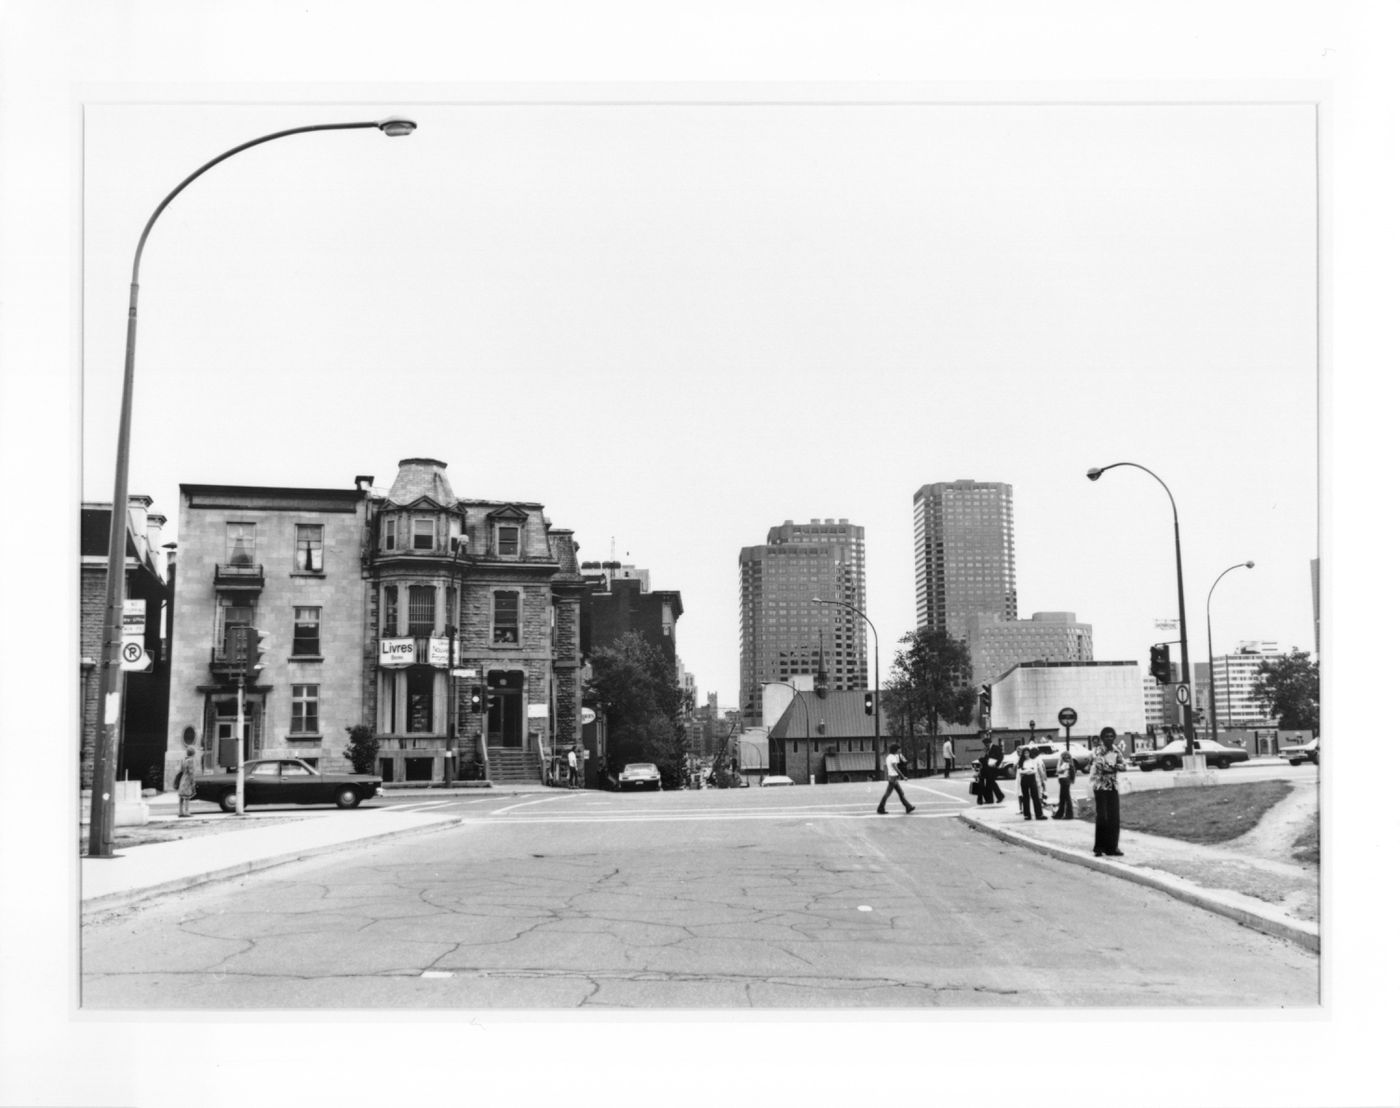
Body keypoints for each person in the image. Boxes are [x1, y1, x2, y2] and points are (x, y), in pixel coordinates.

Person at [1091, 727, 1128, 856]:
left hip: (1112, 786)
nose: (1109, 738)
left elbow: (1124, 766)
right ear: (1102, 738)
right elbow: (1101, 767)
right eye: (1106, 736)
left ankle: (1112, 847)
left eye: (1111, 736)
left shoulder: (1116, 750)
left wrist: (1114, 766)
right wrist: (1113, 766)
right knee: (1103, 817)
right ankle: (1099, 847)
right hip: (1101, 787)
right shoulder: (1098, 750)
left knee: (1114, 817)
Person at [876, 744, 915, 814]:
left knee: (900, 793)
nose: (900, 750)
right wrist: (903, 776)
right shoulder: (893, 758)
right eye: (899, 749)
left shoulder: (889, 757)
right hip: (893, 777)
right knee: (888, 794)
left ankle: (908, 807)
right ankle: (880, 808)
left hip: (892, 777)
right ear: (896, 750)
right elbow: (895, 767)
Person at [1017, 745, 1047, 820]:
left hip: (1032, 779)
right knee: (1025, 797)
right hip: (1024, 779)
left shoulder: (1033, 761)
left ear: (1029, 753)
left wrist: (1026, 770)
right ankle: (1027, 815)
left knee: (1035, 796)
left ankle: (1039, 814)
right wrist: (1028, 770)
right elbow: (1020, 771)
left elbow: (1034, 771)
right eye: (1025, 753)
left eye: (1027, 753)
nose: (1026, 755)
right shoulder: (1021, 762)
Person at [979, 737, 1005, 805]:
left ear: (988, 743)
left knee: (992, 783)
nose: (985, 745)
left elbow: (1001, 756)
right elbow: (987, 758)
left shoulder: (995, 747)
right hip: (988, 769)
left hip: (993, 768)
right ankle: (990, 799)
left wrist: (997, 764)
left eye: (985, 744)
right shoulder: (988, 749)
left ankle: (1000, 796)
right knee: (989, 784)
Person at [1052, 747, 1076, 819]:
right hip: (1064, 781)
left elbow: (1059, 770)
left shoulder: (1066, 764)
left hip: (1065, 781)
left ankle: (1069, 814)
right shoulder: (1067, 764)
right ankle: (1060, 813)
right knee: (1062, 797)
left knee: (1066, 798)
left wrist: (1059, 761)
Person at [176, 742, 197, 818]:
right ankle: (187, 812)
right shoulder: (191, 760)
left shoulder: (184, 760)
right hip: (187, 780)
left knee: (181, 797)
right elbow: (191, 772)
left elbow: (181, 770)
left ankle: (180, 812)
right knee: (187, 797)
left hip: (183, 779)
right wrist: (193, 781)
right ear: (193, 753)